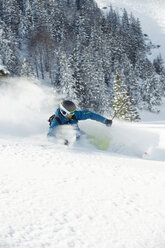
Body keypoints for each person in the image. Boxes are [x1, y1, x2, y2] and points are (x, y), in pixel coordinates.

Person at [47, 100, 112, 140]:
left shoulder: (75, 114)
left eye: (73, 112)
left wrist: (105, 120)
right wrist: (61, 141)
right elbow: (50, 136)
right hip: (67, 140)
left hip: (78, 135)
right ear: (63, 112)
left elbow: (90, 114)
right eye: (71, 113)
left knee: (86, 137)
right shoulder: (56, 121)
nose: (72, 114)